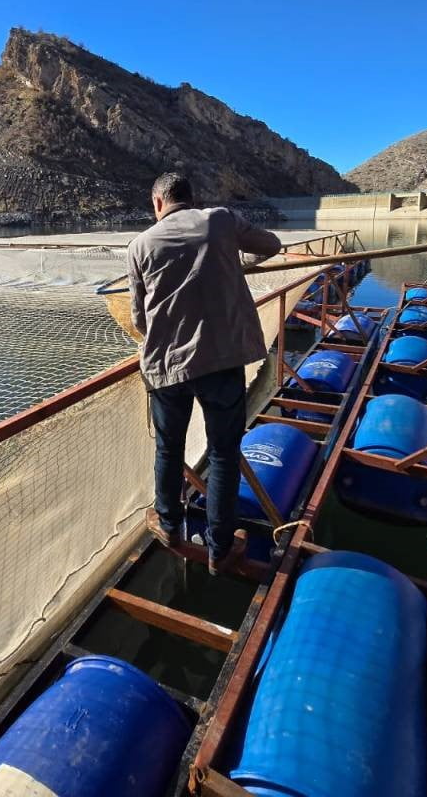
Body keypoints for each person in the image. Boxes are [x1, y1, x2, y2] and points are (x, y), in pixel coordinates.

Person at [126, 172, 282, 575]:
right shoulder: (221, 220)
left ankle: (169, 526)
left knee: (168, 448)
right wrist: (234, 262)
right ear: (191, 199)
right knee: (224, 453)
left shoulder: (140, 245)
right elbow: (271, 245)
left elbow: (139, 319)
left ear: (157, 202)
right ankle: (220, 549)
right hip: (221, 363)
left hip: (167, 369)